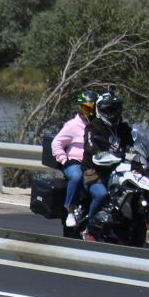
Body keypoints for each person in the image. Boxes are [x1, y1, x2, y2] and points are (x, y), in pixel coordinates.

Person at [50, 90, 103, 228]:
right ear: (81, 107)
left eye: (92, 107)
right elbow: (56, 143)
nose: (89, 110)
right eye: (86, 107)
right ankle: (70, 212)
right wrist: (64, 160)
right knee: (77, 176)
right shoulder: (73, 125)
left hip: (92, 163)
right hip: (74, 161)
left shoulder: (99, 125)